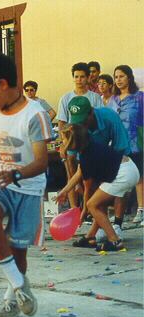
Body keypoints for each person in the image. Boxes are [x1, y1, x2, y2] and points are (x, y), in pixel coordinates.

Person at [0, 52, 52, 317]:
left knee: (18, 249)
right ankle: (20, 285)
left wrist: (17, 174)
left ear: (3, 84)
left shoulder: (35, 115)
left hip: (27, 188)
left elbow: (42, 161)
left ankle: (11, 299)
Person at [56, 124, 139, 251]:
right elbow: (79, 173)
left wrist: (84, 211)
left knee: (93, 205)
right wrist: (64, 191)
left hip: (123, 174)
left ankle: (114, 240)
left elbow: (88, 189)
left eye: (64, 140)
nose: (62, 142)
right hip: (129, 168)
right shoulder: (89, 147)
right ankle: (90, 237)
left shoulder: (87, 157)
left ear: (73, 142)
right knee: (99, 203)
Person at [64, 96, 130, 231]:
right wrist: (74, 185)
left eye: (83, 120)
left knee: (116, 186)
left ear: (91, 112)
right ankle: (98, 229)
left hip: (118, 158)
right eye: (78, 122)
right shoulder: (75, 126)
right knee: (94, 193)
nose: (81, 125)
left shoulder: (110, 117)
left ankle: (116, 225)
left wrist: (83, 212)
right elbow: (72, 159)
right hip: (95, 157)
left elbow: (121, 149)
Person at [57, 62, 104, 208]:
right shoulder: (66, 98)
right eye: (76, 77)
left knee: (89, 178)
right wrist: (64, 144)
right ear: (73, 78)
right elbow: (62, 123)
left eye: (82, 77)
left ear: (88, 78)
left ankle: (89, 208)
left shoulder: (95, 98)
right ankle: (74, 209)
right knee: (71, 176)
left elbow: (100, 119)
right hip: (72, 141)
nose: (79, 80)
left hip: (90, 142)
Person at [109, 65, 144, 225]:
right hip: (117, 146)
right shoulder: (113, 99)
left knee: (139, 177)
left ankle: (141, 210)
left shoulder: (139, 97)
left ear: (129, 77)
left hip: (136, 142)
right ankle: (118, 216)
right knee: (120, 179)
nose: (118, 80)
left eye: (121, 76)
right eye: (116, 77)